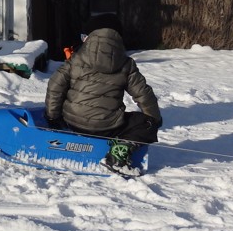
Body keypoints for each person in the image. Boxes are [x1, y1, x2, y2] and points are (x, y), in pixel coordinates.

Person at [44, 13, 162, 173]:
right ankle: (118, 154)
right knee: (145, 122)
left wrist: (53, 117)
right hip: (106, 127)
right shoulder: (126, 64)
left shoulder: (76, 58)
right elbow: (144, 95)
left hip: (72, 122)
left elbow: (55, 86)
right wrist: (154, 121)